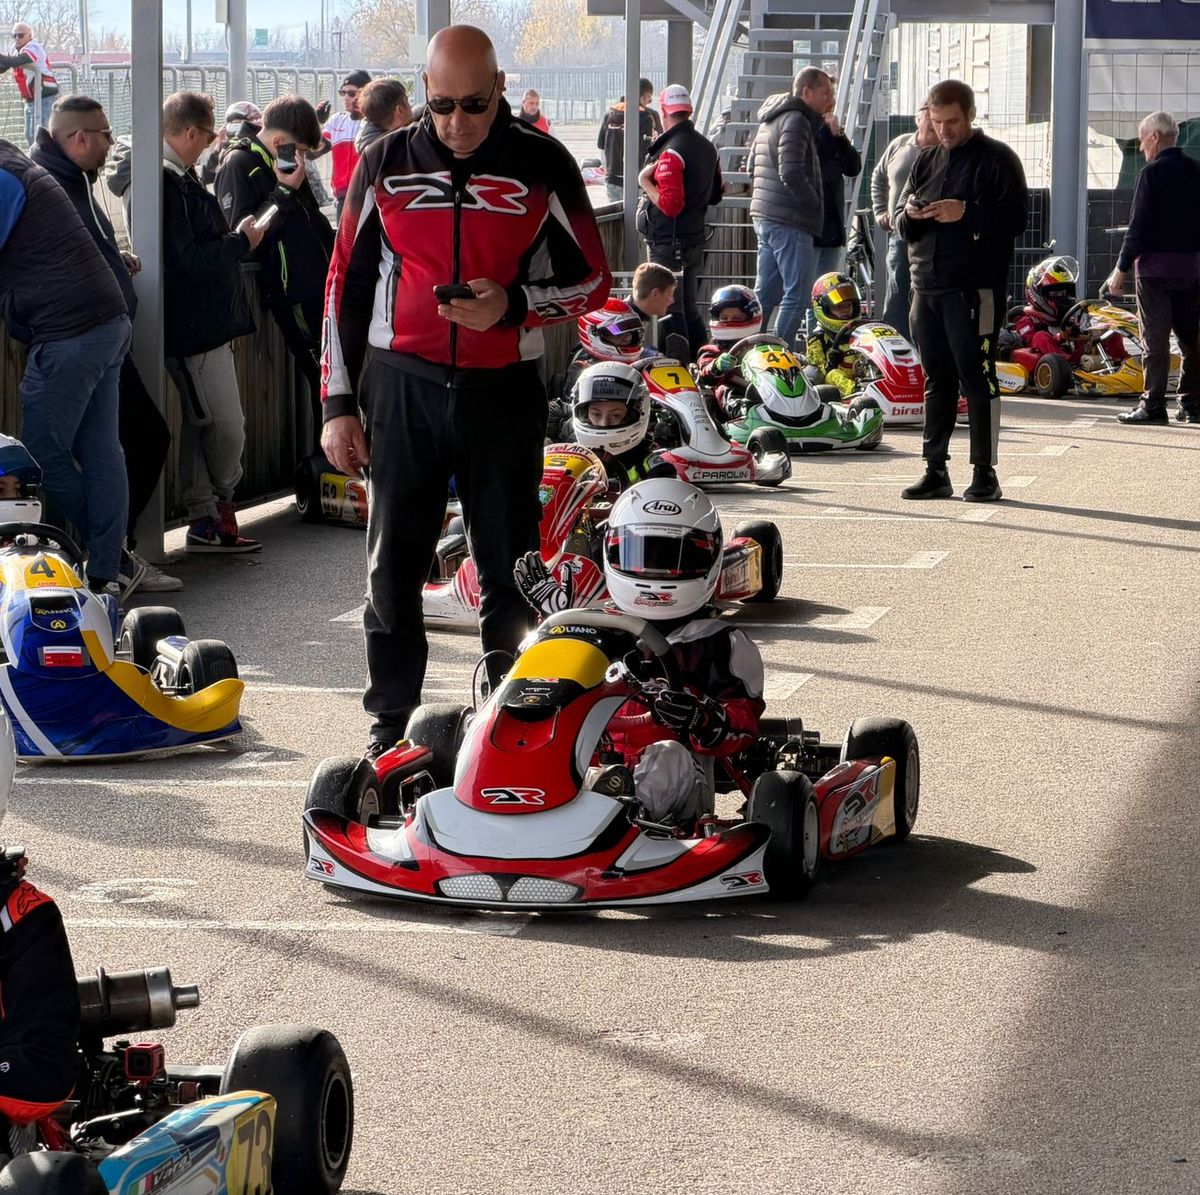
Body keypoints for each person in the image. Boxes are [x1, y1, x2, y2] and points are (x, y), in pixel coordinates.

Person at [321, 24, 611, 758]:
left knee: (509, 563)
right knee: (393, 567)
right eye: (441, 104)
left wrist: (511, 305)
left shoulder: (543, 162)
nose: (455, 122)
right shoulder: (383, 160)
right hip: (402, 385)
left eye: (473, 105)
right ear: (423, 93)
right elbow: (344, 286)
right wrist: (337, 403)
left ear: (501, 89)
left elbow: (592, 278)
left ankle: (512, 724)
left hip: (502, 388)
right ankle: (390, 728)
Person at [515, 476, 765, 826]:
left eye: (670, 557)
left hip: (677, 784)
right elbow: (545, 681)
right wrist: (554, 620)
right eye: (640, 552)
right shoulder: (596, 626)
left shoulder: (720, 642)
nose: (654, 571)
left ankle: (609, 819)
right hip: (586, 767)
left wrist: (701, 716)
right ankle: (515, 806)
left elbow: (745, 726)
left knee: (668, 757)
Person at [31, 95, 180, 594]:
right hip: (89, 329)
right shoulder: (52, 184)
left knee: (66, 452)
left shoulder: (69, 181)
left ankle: (111, 554)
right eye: (105, 135)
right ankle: (111, 555)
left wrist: (116, 258)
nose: (111, 144)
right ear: (78, 138)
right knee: (97, 450)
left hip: (86, 332)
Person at [0, 137, 131, 596]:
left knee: (37, 456)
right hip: (106, 321)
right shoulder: (13, 162)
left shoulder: (3, 178)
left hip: (68, 332)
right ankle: (108, 569)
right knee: (101, 450)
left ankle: (105, 551)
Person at [896, 79, 1027, 503]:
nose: (945, 130)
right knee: (937, 379)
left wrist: (966, 212)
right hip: (926, 287)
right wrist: (912, 214)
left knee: (978, 376)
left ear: (970, 115)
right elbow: (901, 222)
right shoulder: (926, 159)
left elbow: (1017, 219)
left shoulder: (998, 159)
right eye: (937, 122)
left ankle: (985, 472)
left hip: (974, 289)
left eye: (952, 121)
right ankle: (935, 469)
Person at [161, 91, 267, 552]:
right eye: (206, 137)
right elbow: (190, 258)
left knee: (205, 424)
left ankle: (206, 514)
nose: (209, 145)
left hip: (198, 323)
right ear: (189, 133)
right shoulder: (169, 184)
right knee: (225, 425)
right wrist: (240, 242)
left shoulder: (170, 179)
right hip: (195, 326)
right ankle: (214, 504)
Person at [216, 95, 334, 452]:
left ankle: (334, 466)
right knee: (322, 379)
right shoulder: (240, 164)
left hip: (319, 283)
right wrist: (283, 191)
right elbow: (243, 234)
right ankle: (325, 462)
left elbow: (310, 223)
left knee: (334, 380)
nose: (301, 159)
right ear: (281, 142)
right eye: (298, 149)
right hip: (292, 290)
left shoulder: (283, 163)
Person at [1106, 111, 1200, 425]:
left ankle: (1153, 404)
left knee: (1155, 341)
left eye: (1143, 139)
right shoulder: (1195, 171)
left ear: (1155, 137)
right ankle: (1190, 402)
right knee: (1192, 340)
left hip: (1155, 272)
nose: (1142, 147)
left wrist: (1120, 269)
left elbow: (1139, 228)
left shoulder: (1151, 174)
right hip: (1191, 269)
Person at [636, 84, 723, 360]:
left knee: (671, 310)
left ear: (663, 111)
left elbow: (671, 205)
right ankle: (702, 363)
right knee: (688, 306)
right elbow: (716, 194)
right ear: (689, 111)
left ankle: (680, 370)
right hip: (693, 238)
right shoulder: (708, 148)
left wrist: (644, 182)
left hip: (669, 242)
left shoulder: (671, 152)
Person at [748, 69, 825, 348]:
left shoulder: (771, 118)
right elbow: (791, 172)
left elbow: (750, 166)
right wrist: (812, 203)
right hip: (790, 218)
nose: (830, 99)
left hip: (765, 215)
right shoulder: (797, 119)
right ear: (806, 92)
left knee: (765, 293)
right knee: (798, 294)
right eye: (825, 92)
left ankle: (752, 350)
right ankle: (782, 354)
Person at [871, 105, 936, 337]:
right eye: (929, 120)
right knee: (898, 290)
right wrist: (880, 210)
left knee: (926, 295)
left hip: (933, 234)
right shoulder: (900, 145)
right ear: (919, 119)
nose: (933, 127)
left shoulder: (946, 151)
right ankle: (896, 342)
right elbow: (878, 177)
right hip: (900, 233)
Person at [564, 362, 673, 490]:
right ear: (584, 413)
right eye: (596, 414)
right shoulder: (569, 458)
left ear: (634, 414)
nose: (604, 423)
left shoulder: (654, 468)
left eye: (615, 415)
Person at [811, 78, 862, 281]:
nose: (831, 101)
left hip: (831, 223)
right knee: (804, 291)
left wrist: (838, 135)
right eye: (827, 95)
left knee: (826, 288)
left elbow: (852, 167)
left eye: (833, 94)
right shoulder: (800, 127)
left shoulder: (830, 130)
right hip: (809, 225)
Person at [563, 298, 650, 396]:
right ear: (593, 334)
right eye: (616, 331)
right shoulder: (582, 369)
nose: (627, 336)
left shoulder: (640, 363)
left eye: (630, 331)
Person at [804, 271, 866, 396]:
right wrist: (831, 364)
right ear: (823, 308)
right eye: (839, 307)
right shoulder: (817, 339)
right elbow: (817, 373)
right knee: (832, 374)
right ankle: (857, 392)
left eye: (848, 305)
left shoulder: (862, 331)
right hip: (832, 387)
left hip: (862, 375)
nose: (845, 311)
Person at [597, 78, 658, 203]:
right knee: (636, 218)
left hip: (612, 178)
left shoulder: (610, 112)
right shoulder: (647, 116)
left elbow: (601, 145)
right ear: (646, 96)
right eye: (649, 99)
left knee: (615, 218)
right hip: (637, 181)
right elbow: (652, 150)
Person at [695, 284, 763, 394]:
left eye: (736, 318)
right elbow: (704, 375)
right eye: (724, 318)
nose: (729, 321)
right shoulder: (711, 350)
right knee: (724, 389)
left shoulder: (761, 345)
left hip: (763, 391)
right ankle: (741, 408)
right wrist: (716, 366)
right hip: (733, 395)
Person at [323, 69, 370, 221]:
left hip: (369, 194)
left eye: (353, 93)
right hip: (344, 196)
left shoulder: (376, 121)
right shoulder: (336, 120)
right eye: (344, 93)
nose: (348, 98)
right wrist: (318, 122)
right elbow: (313, 151)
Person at [0, 23, 57, 147]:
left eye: (20, 35)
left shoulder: (34, 47)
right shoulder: (14, 49)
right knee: (29, 135)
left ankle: (45, 162)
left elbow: (18, 61)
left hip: (45, 96)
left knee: (41, 136)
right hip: (30, 98)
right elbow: (4, 65)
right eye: (14, 35)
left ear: (30, 36)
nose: (17, 38)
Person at [355, 78, 413, 154]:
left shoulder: (371, 147)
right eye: (407, 101)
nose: (411, 107)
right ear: (400, 110)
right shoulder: (398, 151)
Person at [628, 261, 677, 351]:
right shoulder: (622, 322)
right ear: (655, 294)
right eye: (670, 294)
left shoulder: (633, 316)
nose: (672, 300)